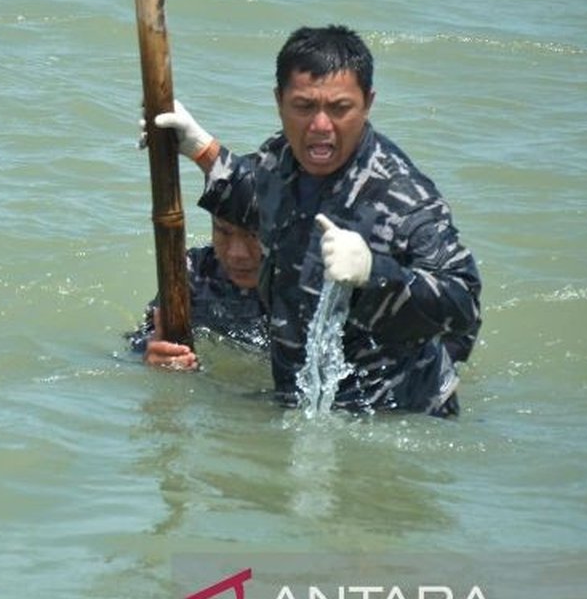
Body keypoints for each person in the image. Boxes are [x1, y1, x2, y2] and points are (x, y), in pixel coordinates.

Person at [153, 25, 481, 416]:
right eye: (304, 106)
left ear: (368, 103)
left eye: (339, 109)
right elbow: (256, 196)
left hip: (395, 415)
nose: (320, 126)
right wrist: (197, 146)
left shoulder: (404, 198)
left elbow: (463, 306)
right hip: (301, 403)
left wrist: (374, 273)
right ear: (279, 102)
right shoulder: (280, 158)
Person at [128, 212, 268, 370]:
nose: (236, 253)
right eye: (223, 231)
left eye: (255, 234)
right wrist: (156, 353)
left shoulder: (299, 284)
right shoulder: (195, 275)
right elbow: (142, 338)